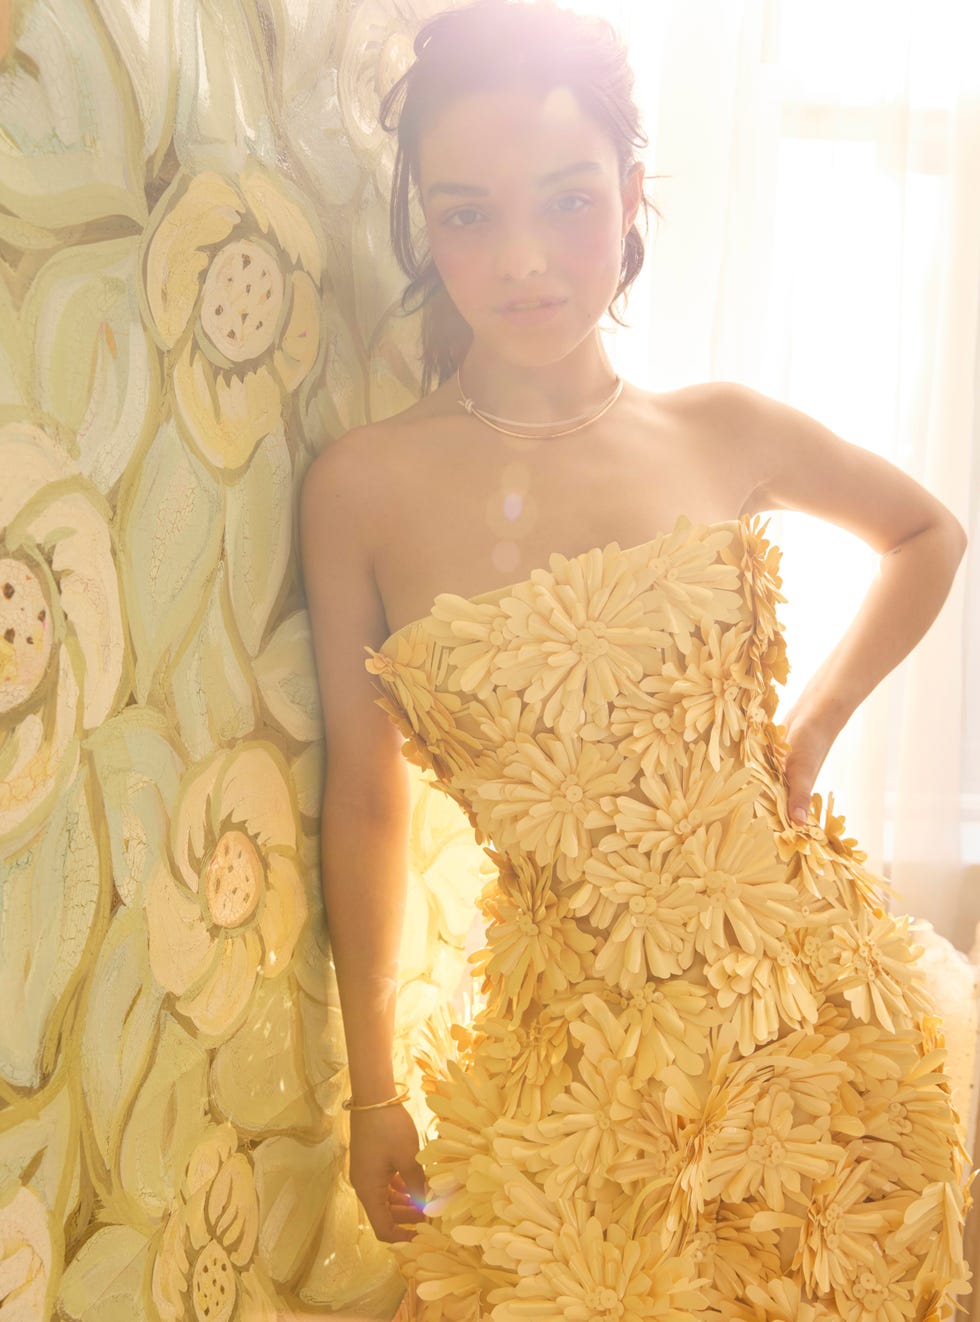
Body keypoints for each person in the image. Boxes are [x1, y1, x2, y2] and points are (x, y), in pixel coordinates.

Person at [299, 1, 973, 1316]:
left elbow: (929, 533)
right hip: (574, 1069)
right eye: (468, 213)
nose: (524, 260)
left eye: (564, 200)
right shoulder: (361, 488)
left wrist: (816, 726)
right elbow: (366, 799)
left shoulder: (720, 427)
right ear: (426, 230)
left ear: (631, 194)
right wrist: (372, 1090)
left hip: (814, 1021)